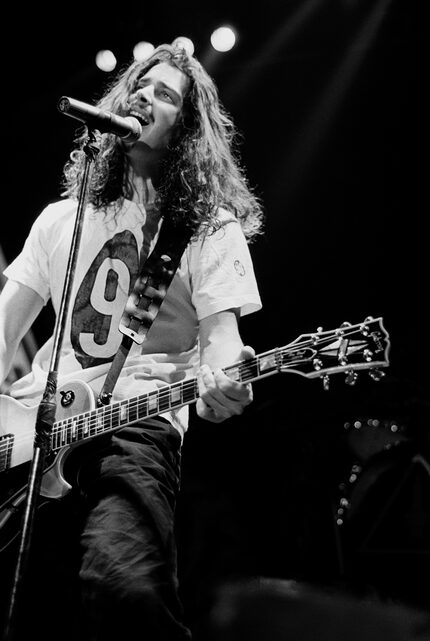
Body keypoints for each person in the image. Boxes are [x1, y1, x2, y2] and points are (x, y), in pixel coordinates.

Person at [0, 42, 264, 640]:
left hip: (135, 427)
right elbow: (3, 331)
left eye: (165, 95)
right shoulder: (60, 217)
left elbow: (224, 342)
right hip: (30, 428)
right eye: (141, 87)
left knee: (123, 591)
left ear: (185, 130)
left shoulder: (206, 224)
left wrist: (230, 379)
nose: (146, 96)